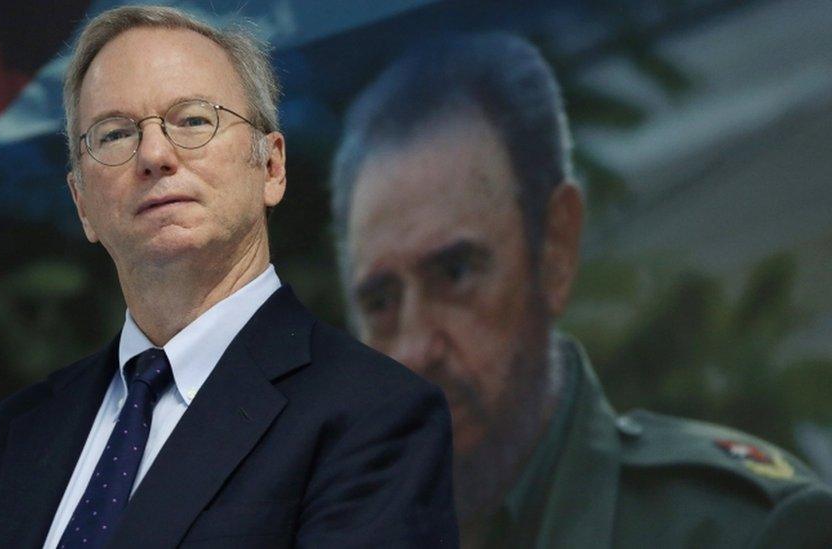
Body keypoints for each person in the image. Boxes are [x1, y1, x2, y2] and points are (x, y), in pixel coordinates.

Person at [0, 6, 458, 548]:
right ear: (82, 204)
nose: (154, 154)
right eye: (115, 134)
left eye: (194, 119)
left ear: (271, 167)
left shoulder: (376, 418)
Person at [330, 33, 832, 548]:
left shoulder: (739, 530)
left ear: (555, 250)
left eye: (456, 273)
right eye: (381, 302)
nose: (416, 349)